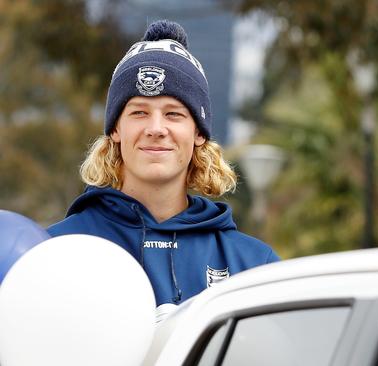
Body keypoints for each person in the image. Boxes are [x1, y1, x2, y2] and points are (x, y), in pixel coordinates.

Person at [48, 20, 280, 305]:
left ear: (198, 132)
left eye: (173, 114)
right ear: (116, 130)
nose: (156, 128)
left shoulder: (254, 265)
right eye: (139, 112)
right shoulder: (56, 251)